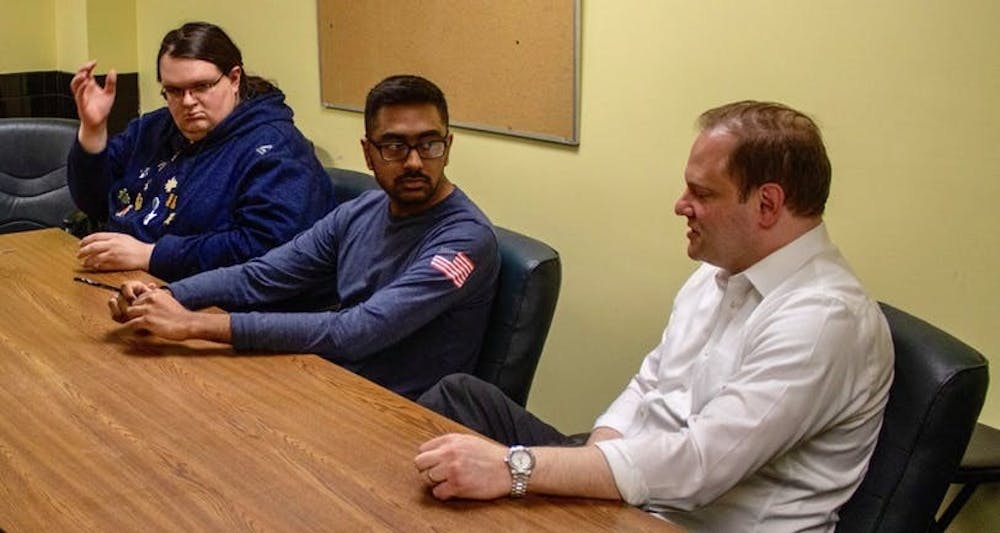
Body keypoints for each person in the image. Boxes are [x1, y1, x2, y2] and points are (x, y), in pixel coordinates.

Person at [413, 101, 894, 531]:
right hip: (638, 491)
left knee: (484, 484)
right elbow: (649, 385)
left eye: (702, 193)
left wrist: (515, 470)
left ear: (767, 204)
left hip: (689, 517)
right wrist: (590, 463)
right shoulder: (718, 271)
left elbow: (699, 466)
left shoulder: (826, 320)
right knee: (459, 399)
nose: (681, 205)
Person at [108, 75, 500, 400]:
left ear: (447, 148)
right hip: (330, 382)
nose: (414, 162)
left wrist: (192, 326)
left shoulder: (464, 241)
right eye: (395, 146)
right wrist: (168, 297)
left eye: (429, 144)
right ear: (368, 153)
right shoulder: (361, 212)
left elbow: (357, 332)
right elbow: (261, 275)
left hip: (401, 414)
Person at [68, 21, 336, 282]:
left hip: (221, 307)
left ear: (233, 79)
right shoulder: (153, 128)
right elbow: (93, 203)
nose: (187, 102)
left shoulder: (276, 148)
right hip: (128, 281)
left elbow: (263, 248)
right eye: (173, 90)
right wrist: (93, 130)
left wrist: (152, 255)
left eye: (201, 87)